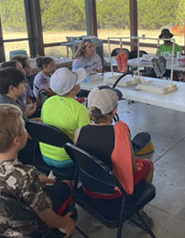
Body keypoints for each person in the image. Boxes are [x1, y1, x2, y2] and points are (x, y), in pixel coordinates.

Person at [74, 86, 154, 227]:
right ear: (115, 111)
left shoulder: (79, 131)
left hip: (87, 188)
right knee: (148, 164)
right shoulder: (119, 133)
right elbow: (132, 169)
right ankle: (138, 212)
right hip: (112, 193)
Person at [0, 104, 75, 237]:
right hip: (28, 232)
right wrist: (64, 224)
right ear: (17, 140)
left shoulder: (23, 176)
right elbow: (46, 217)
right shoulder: (25, 175)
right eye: (23, 127)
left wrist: (35, 181)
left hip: (4, 228)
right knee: (67, 185)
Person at [40, 67, 90, 168]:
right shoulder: (80, 109)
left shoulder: (47, 102)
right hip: (67, 158)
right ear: (72, 89)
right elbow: (86, 139)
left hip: (45, 155)